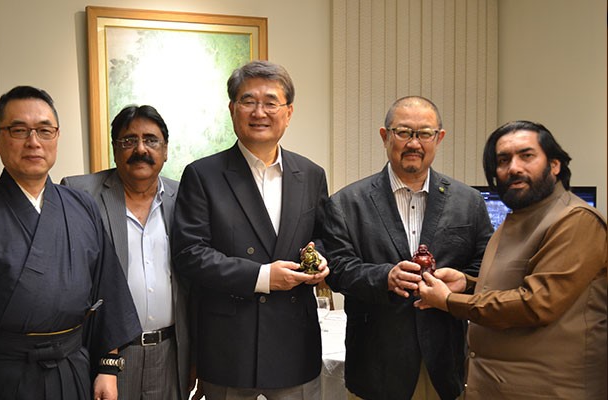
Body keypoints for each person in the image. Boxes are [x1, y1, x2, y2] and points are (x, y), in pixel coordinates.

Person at [0, 86, 142, 399]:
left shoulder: (82, 207)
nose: (34, 142)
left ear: (57, 136)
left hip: (71, 372)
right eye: (19, 130)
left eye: (44, 130)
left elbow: (108, 290)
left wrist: (108, 368)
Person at [171, 60, 329, 399]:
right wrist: (262, 277)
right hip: (230, 347)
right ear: (232, 109)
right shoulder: (203, 175)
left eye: (271, 102)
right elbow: (189, 254)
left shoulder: (311, 174)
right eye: (248, 101)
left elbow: (324, 239)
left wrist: (321, 260)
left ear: (288, 112)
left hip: (294, 344)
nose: (260, 112)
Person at [416, 120, 607, 399]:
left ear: (555, 165)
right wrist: (467, 283)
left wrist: (449, 301)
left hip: (550, 390)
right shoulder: (518, 218)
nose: (514, 168)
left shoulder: (576, 220)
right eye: (503, 160)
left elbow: (536, 304)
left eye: (526, 156)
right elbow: (515, 284)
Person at [323, 96, 493, 400]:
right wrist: (385, 277)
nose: (414, 143)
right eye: (403, 132)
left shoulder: (469, 202)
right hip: (377, 366)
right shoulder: (347, 203)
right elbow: (337, 270)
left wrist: (464, 281)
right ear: (385, 136)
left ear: (439, 138)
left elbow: (487, 267)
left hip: (446, 364)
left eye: (424, 133)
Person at [61, 105, 191, 400]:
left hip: (170, 353)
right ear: (115, 149)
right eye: (129, 140)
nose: (141, 149)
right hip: (104, 357)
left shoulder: (184, 197)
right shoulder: (80, 194)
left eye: (151, 140)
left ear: (166, 150)